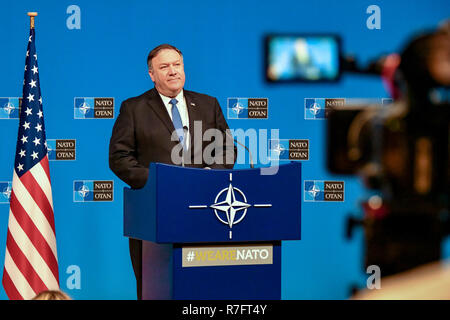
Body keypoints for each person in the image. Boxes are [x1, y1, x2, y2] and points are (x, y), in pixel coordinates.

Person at [109, 44, 236, 299]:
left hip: (205, 212)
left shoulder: (208, 104)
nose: (172, 71)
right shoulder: (134, 108)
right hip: (154, 214)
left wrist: (212, 175)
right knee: (157, 289)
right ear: (152, 74)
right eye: (164, 67)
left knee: (202, 289)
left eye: (177, 65)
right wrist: (159, 182)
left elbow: (227, 149)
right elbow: (119, 157)